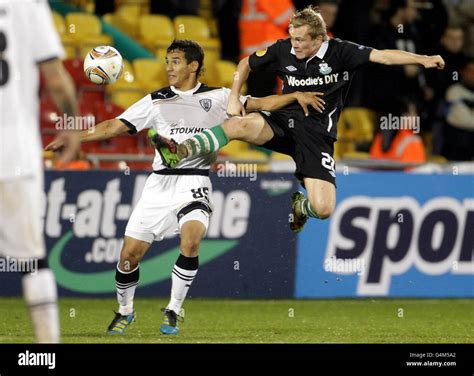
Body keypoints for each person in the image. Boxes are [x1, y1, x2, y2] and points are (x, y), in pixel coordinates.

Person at [46, 40, 324, 335]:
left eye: (176, 61)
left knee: (191, 240)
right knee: (129, 257)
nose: (169, 67)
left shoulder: (218, 97)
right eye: (167, 61)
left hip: (195, 178)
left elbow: (259, 103)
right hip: (158, 183)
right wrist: (77, 136)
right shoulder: (155, 100)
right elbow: (116, 125)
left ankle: (174, 309)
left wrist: (294, 95)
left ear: (193, 66)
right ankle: (125, 312)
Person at [153, 6, 444, 234]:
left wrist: (421, 59)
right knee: (238, 124)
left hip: (317, 136)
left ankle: (301, 206)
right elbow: (245, 64)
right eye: (293, 38)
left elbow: (382, 56)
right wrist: (233, 97)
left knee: (325, 208)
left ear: (320, 38)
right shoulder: (283, 49)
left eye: (301, 40)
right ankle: (181, 150)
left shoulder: (342, 52)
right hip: (283, 121)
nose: (295, 45)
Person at [0, 0, 80, 343]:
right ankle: (47, 349)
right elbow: (55, 78)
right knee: (33, 261)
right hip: (13, 151)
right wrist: (74, 126)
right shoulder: (27, 3)